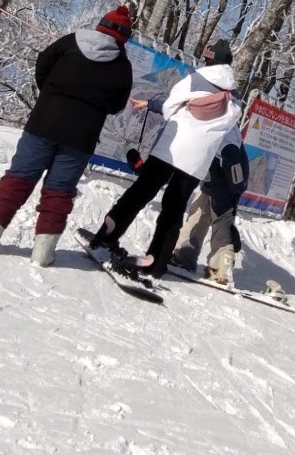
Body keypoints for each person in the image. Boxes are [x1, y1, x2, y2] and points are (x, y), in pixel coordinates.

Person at [0, 5, 135, 266]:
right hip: (80, 138)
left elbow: (43, 65)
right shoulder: (122, 66)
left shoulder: (70, 42)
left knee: (19, 178)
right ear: (124, 37)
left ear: (100, 25)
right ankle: (42, 254)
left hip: (43, 124)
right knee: (59, 192)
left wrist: (50, 94)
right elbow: (117, 105)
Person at [85, 39, 240, 278]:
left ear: (209, 60)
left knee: (140, 193)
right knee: (174, 209)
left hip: (170, 149)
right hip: (196, 161)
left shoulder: (195, 79)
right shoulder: (235, 97)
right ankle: (155, 262)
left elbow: (169, 108)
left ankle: (106, 235)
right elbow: (226, 127)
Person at [169, 138, 250, 285]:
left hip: (229, 181)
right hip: (212, 175)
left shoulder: (227, 137)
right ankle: (183, 255)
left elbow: (234, 166)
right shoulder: (205, 127)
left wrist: (233, 195)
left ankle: (221, 268)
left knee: (221, 221)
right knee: (199, 211)